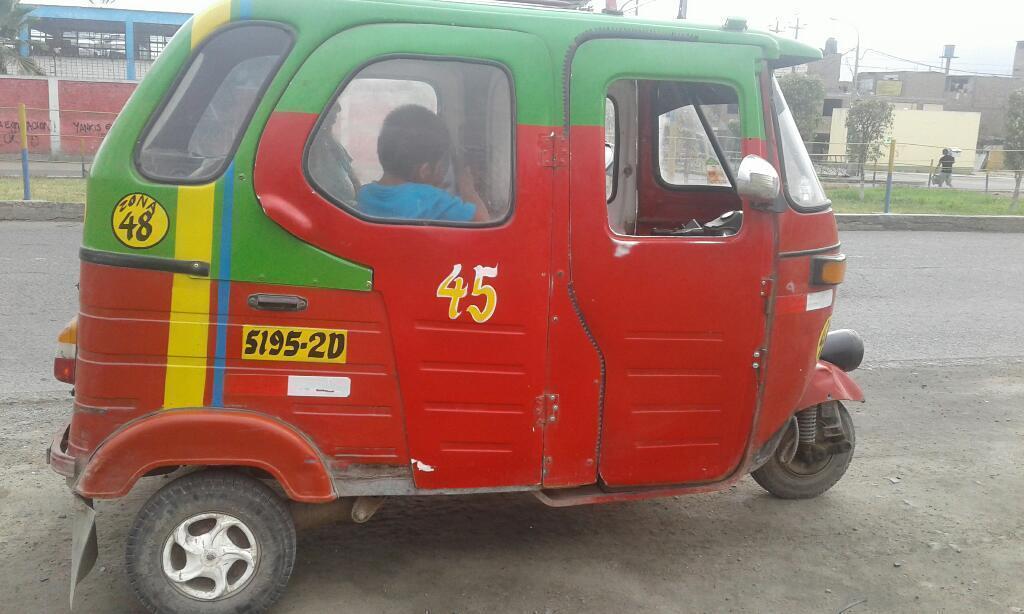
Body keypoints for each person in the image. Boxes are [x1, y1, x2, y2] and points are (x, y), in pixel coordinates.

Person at [358, 104, 488, 222]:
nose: (443, 175)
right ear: (424, 171)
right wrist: (468, 188)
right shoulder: (431, 199)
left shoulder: (364, 194)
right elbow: (482, 221)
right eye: (442, 167)